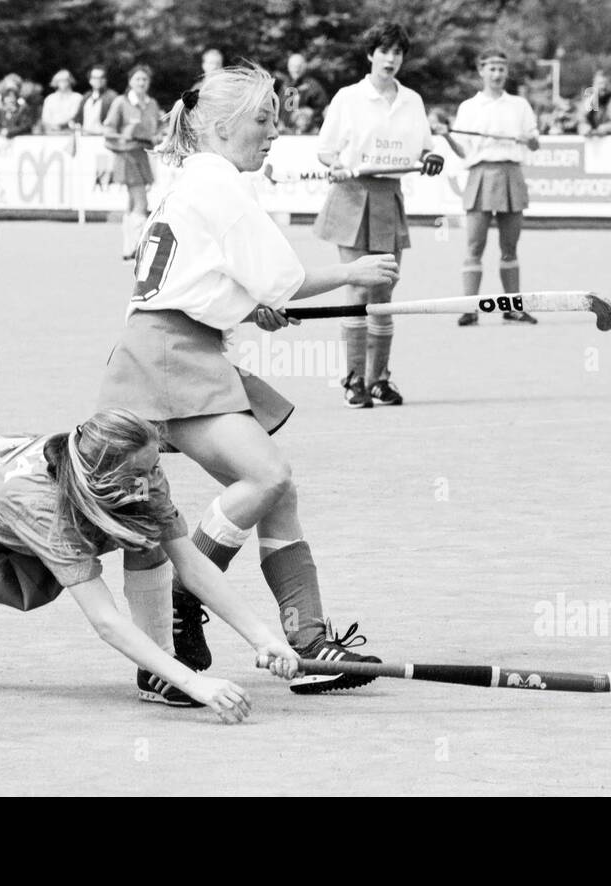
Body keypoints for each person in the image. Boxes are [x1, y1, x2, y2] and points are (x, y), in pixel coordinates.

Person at [97, 63, 401, 694]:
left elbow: (217, 278)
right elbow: (282, 279)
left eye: (276, 120)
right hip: (170, 356)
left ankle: (311, 647)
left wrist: (246, 301)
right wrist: (354, 272)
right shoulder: (221, 187)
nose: (273, 134)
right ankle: (189, 588)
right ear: (220, 125)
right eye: (262, 120)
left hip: (175, 347)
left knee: (276, 491)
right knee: (268, 476)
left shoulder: (192, 182)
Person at [0, 410, 301, 722]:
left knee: (147, 533)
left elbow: (192, 567)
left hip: (84, 509)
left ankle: (158, 672)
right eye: (142, 471)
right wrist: (198, 682)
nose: (155, 479)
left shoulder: (136, 474)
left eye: (156, 465)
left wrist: (265, 638)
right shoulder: (43, 506)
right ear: (103, 475)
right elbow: (106, 620)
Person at [314, 20, 444, 408]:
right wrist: (335, 161)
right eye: (384, 51)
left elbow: (425, 148)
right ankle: (353, 379)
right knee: (356, 288)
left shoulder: (413, 100)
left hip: (389, 197)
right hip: (352, 196)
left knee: (384, 293)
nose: (391, 59)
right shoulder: (347, 97)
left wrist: (431, 157)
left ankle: (378, 379)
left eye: (398, 52)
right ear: (370, 54)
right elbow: (325, 149)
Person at [438, 47, 540, 327]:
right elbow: (462, 151)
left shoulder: (520, 105)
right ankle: (470, 308)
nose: (497, 74)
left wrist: (525, 139)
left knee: (510, 247)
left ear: (507, 72)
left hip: (511, 175)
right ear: (481, 71)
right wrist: (447, 137)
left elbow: (535, 142)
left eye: (501, 69)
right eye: (491, 68)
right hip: (480, 176)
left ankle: (513, 307)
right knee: (474, 247)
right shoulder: (468, 107)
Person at [103, 65, 162, 261]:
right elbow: (108, 129)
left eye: (144, 79)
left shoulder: (152, 103)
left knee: (132, 201)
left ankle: (128, 247)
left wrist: (156, 136)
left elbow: (158, 128)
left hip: (143, 153)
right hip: (126, 153)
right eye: (137, 79)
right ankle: (137, 245)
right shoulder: (121, 102)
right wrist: (124, 136)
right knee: (141, 201)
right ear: (130, 82)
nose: (141, 83)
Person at [277, 52, 328, 133]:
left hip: (307, 133)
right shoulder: (285, 85)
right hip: (286, 132)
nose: (296, 69)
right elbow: (278, 108)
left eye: (299, 66)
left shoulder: (313, 85)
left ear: (304, 66)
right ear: (288, 67)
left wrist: (310, 114)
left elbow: (323, 109)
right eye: (293, 66)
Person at [73, 65, 117, 136]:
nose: (98, 80)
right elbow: (78, 118)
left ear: (105, 79)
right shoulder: (86, 96)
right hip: (85, 136)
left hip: (103, 138)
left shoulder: (113, 97)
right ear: (90, 80)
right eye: (95, 78)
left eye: (101, 77)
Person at [576, 71, 611, 137]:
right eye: (600, 83)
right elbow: (580, 117)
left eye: (606, 83)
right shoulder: (590, 98)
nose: (603, 87)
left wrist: (605, 128)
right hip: (594, 140)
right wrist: (583, 126)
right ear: (594, 85)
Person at [39, 68, 82, 134]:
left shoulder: (77, 97)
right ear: (55, 82)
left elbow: (74, 116)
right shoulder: (49, 99)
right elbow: (45, 118)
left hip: (71, 133)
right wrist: (52, 126)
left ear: (70, 81)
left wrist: (61, 125)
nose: (63, 83)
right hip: (52, 133)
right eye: (59, 80)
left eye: (65, 80)